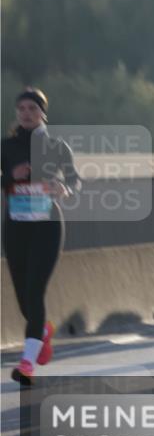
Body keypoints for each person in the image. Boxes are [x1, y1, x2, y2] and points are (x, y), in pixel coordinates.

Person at [3, 88, 81, 386]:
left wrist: (64, 188)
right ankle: (43, 331)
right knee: (24, 299)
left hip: (47, 227)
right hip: (16, 227)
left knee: (35, 292)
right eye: (21, 108)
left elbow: (74, 179)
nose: (26, 113)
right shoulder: (6, 147)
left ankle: (26, 365)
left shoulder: (57, 146)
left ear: (42, 113)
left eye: (32, 108)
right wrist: (12, 175)